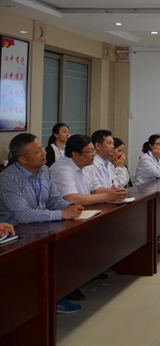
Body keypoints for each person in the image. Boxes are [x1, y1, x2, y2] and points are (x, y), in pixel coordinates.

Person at [0, 133, 84, 314]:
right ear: (22, 159)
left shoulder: (45, 170)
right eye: (37, 151)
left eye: (42, 148)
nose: (44, 152)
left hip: (41, 226)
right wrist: (62, 214)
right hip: (16, 235)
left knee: (73, 243)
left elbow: (54, 200)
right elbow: (23, 215)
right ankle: (48, 300)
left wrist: (70, 207)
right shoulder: (9, 178)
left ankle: (61, 291)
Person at [50, 134, 129, 205]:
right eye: (90, 151)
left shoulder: (88, 165)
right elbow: (72, 198)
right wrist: (106, 196)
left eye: (93, 150)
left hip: (84, 209)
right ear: (75, 154)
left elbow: (95, 188)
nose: (94, 154)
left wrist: (115, 192)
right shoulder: (62, 169)